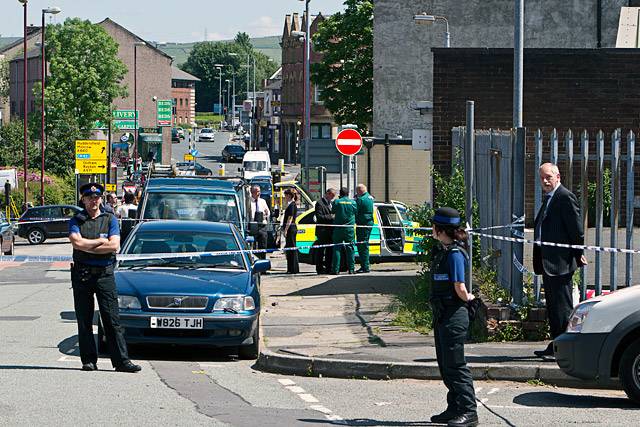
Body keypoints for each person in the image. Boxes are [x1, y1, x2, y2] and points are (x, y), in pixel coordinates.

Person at [68, 183, 141, 373]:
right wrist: (101, 241)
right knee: (84, 320)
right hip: (82, 275)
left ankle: (121, 361)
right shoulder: (76, 220)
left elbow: (113, 246)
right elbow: (77, 243)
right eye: (89, 197)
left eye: (97, 197)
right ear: (83, 199)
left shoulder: (110, 219)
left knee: (111, 318)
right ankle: (89, 360)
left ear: (101, 199)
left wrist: (89, 245)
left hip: (104, 274)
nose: (93, 200)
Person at [429, 207, 478, 427]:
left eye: (433, 226)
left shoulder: (455, 254)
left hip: (454, 315)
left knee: (456, 365)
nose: (431, 229)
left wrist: (468, 298)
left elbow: (460, 287)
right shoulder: (444, 251)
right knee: (445, 365)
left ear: (440, 229)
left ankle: (469, 411)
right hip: (443, 314)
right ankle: (454, 407)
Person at [533, 162, 587, 358]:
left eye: (548, 177)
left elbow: (576, 229)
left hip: (560, 262)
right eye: (542, 178)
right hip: (548, 261)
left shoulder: (564, 197)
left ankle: (565, 348)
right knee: (553, 307)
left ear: (558, 177)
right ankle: (556, 345)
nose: (545, 181)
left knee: (562, 307)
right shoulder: (549, 198)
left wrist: (577, 252)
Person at [331, 187, 357, 275]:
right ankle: (351, 269)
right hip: (349, 229)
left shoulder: (337, 202)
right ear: (348, 193)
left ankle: (335, 270)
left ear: (340, 194)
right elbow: (355, 212)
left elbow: (333, 211)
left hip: (338, 228)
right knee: (350, 249)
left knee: (337, 249)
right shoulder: (353, 202)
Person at [314, 188, 336, 274]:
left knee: (330, 250)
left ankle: (328, 267)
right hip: (322, 231)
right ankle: (319, 269)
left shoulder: (331, 203)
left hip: (330, 231)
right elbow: (319, 217)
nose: (332, 198)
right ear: (327, 194)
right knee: (320, 251)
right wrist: (331, 217)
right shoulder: (320, 203)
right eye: (332, 195)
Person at [355, 184, 375, 273]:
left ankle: (365, 266)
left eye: (356, 191)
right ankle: (365, 265)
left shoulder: (361, 199)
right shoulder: (370, 198)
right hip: (368, 223)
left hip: (363, 224)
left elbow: (355, 211)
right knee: (364, 244)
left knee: (362, 245)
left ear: (359, 191)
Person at [249, 185, 270, 259]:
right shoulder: (248, 202)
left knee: (263, 244)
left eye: (259, 191)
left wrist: (267, 213)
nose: (259, 193)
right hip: (252, 226)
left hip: (262, 225)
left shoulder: (262, 201)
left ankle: (263, 260)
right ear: (252, 192)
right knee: (252, 245)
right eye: (257, 191)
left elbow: (268, 212)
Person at [282, 188, 299, 273]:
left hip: (291, 229)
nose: (285, 197)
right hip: (290, 228)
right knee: (289, 248)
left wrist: (285, 230)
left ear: (288, 195)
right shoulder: (290, 204)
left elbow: (290, 218)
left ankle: (293, 268)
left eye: (285, 196)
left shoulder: (292, 205)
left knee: (292, 248)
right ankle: (290, 268)